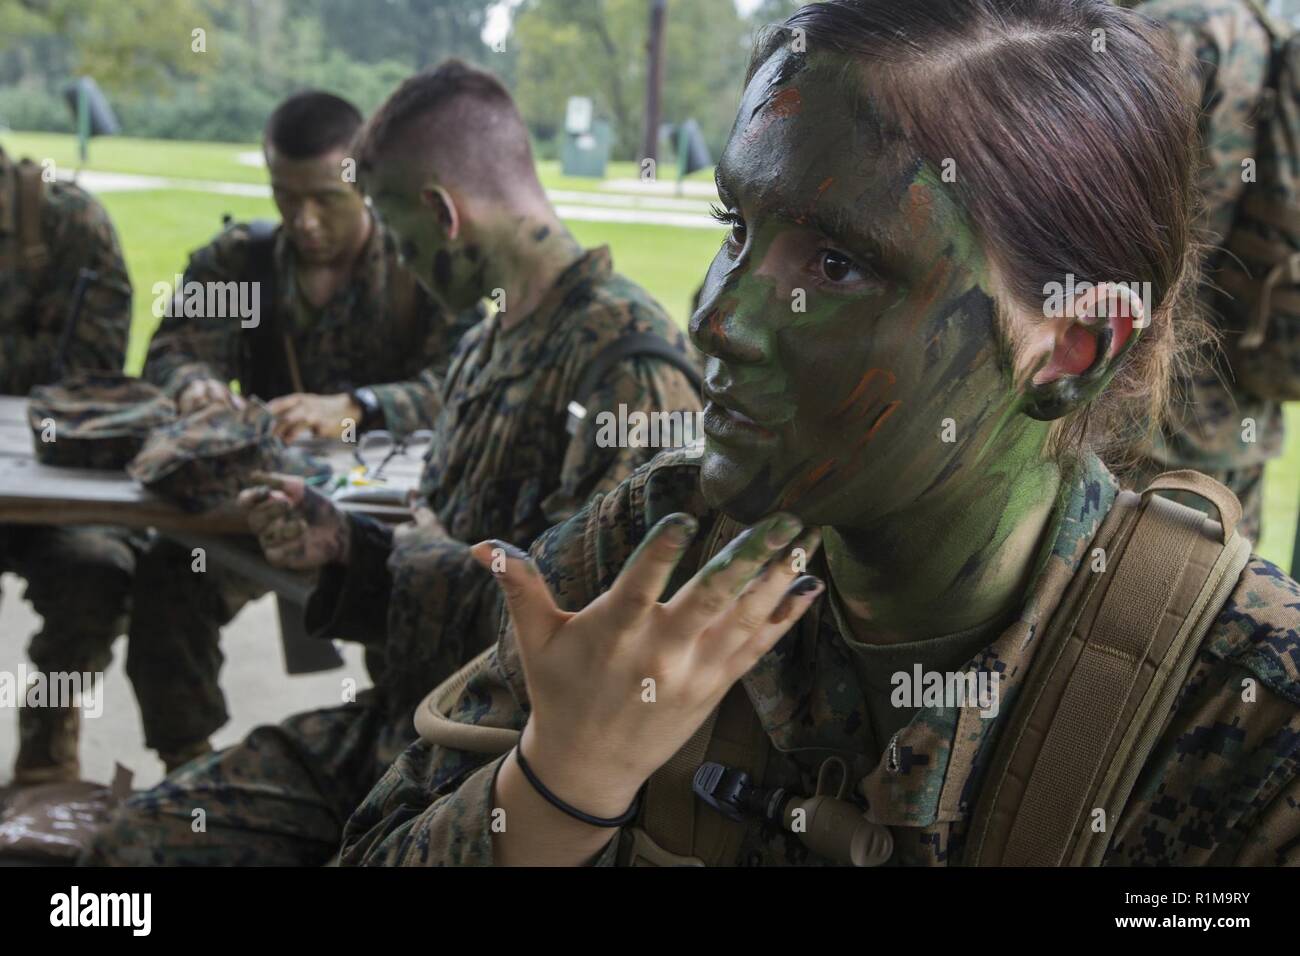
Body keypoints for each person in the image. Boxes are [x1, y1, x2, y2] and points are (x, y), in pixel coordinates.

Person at [337, 0, 1299, 866]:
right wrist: (557, 784)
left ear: (1070, 348)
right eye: (733, 229)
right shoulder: (657, 548)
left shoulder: (1245, 710)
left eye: (837, 263)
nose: (717, 319)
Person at [84, 61, 702, 865]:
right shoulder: (489, 342)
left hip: (506, 776)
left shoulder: (628, 373)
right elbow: (458, 567)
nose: (396, 262)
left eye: (399, 237)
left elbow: (578, 654)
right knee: (133, 846)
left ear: (443, 215)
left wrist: (391, 551)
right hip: (407, 728)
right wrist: (343, 544)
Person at [124, 90, 475, 771]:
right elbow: (171, 349)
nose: (305, 221)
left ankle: (404, 776)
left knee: (422, 616)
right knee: (169, 581)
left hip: (389, 522)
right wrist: (191, 383)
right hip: (260, 514)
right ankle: (190, 774)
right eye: (286, 198)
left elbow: (462, 381)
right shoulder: (241, 263)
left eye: (325, 199)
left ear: (364, 182)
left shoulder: (419, 270)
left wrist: (360, 406)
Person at [1118, 0, 1281, 542]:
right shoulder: (1261, 29)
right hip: (1240, 396)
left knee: (1121, 605)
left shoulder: (1168, 29)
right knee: (1225, 598)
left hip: (1147, 403)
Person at [0, 143, 137, 784]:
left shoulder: (67, 223)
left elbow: (93, 376)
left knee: (99, 567)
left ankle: (46, 743)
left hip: (52, 479)